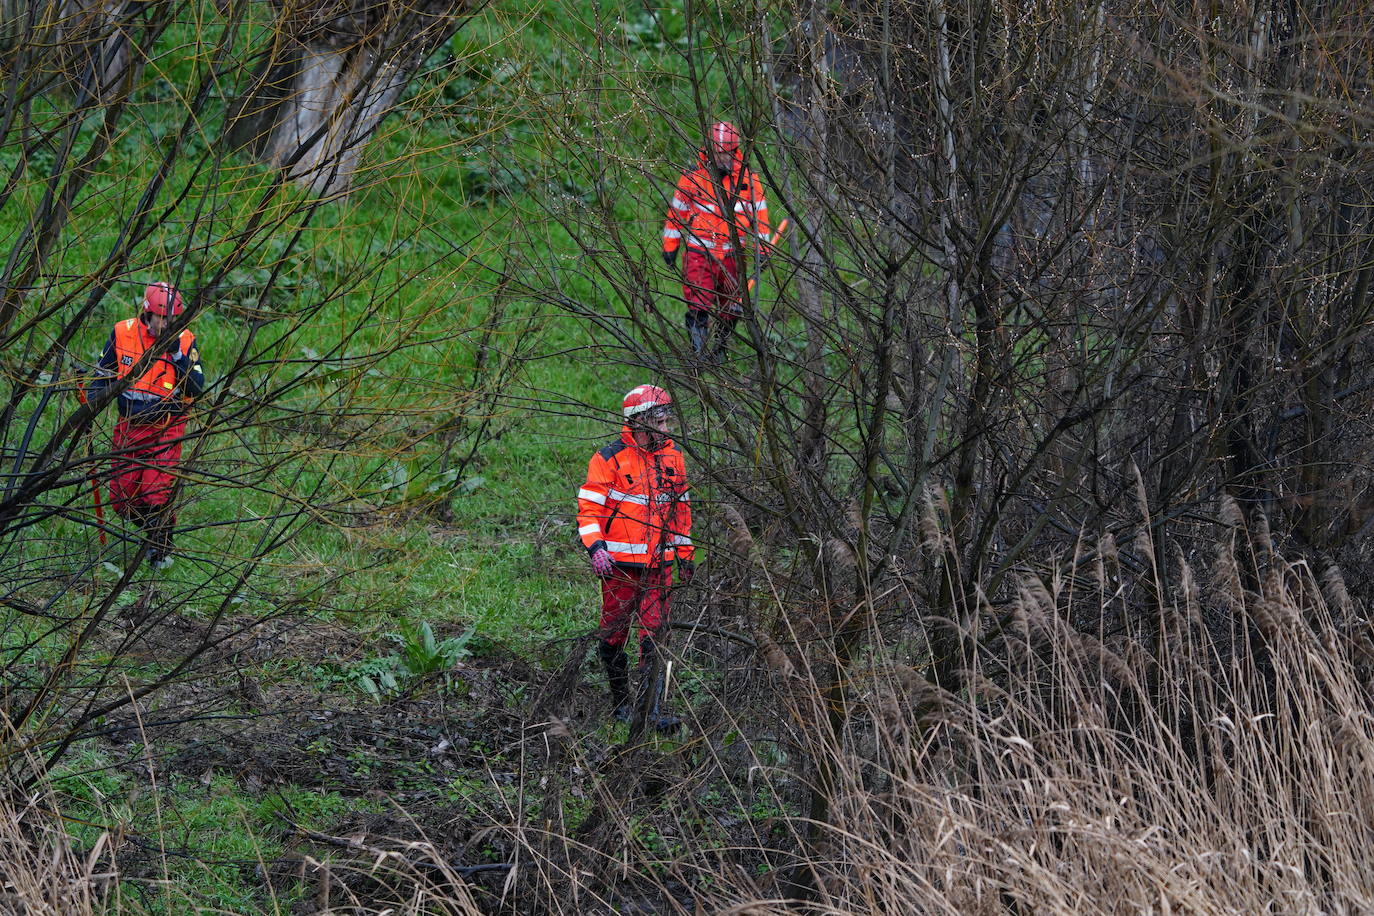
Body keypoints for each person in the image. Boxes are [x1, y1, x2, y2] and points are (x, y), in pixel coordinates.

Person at [577, 384, 694, 732]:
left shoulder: (674, 458)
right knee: (613, 635)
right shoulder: (608, 458)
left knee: (654, 636)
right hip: (619, 569)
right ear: (640, 421)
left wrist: (685, 555)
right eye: (661, 421)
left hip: (660, 567)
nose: (667, 427)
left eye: (668, 420)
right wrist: (596, 548)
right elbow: (588, 510)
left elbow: (681, 512)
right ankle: (621, 705)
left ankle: (650, 712)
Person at [86, 281, 204, 569]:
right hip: (129, 426)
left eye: (170, 319)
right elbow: (101, 377)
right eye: (160, 318)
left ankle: (160, 546)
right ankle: (155, 529)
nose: (165, 325)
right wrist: (88, 407)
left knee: (154, 493)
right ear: (147, 313)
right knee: (122, 501)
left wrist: (177, 354)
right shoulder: (122, 333)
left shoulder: (185, 340)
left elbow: (196, 387)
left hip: (167, 427)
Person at [661, 121, 771, 359]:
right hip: (699, 253)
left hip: (733, 255)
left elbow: (760, 217)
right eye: (716, 153)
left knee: (731, 307)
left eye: (725, 154)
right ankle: (698, 355)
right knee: (698, 303)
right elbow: (677, 213)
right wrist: (670, 246)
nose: (721, 159)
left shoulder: (749, 180)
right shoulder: (692, 177)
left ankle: (720, 350)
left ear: (735, 152)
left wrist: (763, 251)